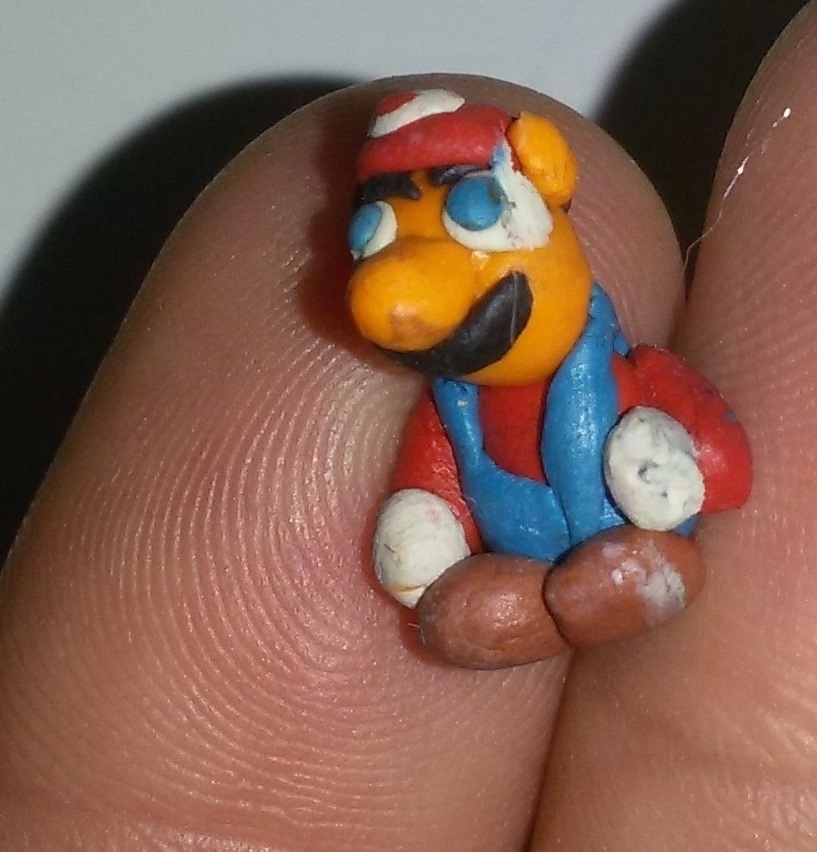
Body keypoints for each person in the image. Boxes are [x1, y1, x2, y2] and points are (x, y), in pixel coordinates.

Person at [0, 6, 815, 849]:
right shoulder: (452, 406)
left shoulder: (626, 373)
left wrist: (688, 460)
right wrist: (427, 522)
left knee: (621, 576)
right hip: (519, 570)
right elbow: (437, 473)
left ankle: (600, 597)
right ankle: (559, 608)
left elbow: (724, 460)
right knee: (458, 618)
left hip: (630, 542)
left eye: (469, 213)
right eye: (376, 236)